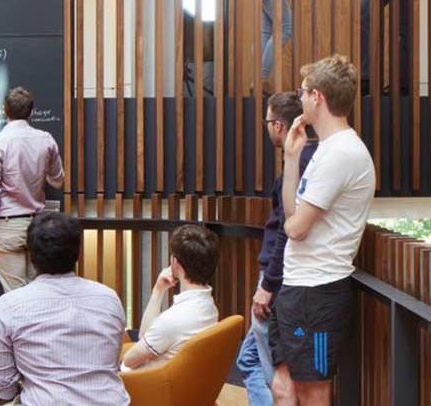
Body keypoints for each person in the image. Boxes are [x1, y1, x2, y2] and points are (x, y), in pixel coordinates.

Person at [271, 56, 376, 406]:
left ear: (317, 97)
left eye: (302, 92)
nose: (299, 99)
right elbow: (291, 215)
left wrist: (292, 223)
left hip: (316, 293)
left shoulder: (342, 153)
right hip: (298, 287)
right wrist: (290, 159)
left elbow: (296, 228)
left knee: (313, 392)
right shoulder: (325, 149)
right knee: (283, 387)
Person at [0, 211, 129, 406]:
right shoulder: (109, 299)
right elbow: (112, 363)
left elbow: (2, 393)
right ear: (77, 253)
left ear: (31, 256)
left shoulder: (9, 306)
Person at [234, 91, 318, 405]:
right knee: (249, 358)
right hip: (284, 278)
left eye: (268, 122)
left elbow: (287, 230)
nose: (267, 128)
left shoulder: (300, 165)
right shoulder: (309, 160)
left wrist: (267, 285)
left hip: (278, 280)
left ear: (279, 126)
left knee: (277, 375)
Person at [0, 87, 66, 292]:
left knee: (16, 297)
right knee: (38, 293)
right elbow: (58, 180)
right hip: (39, 227)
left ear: (5, 110)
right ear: (31, 111)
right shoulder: (46, 140)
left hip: (9, 227)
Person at [122, 224, 220, 373]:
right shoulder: (210, 307)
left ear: (175, 263)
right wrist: (159, 289)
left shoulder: (173, 320)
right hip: (179, 383)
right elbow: (146, 336)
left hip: (146, 387)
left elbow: (129, 360)